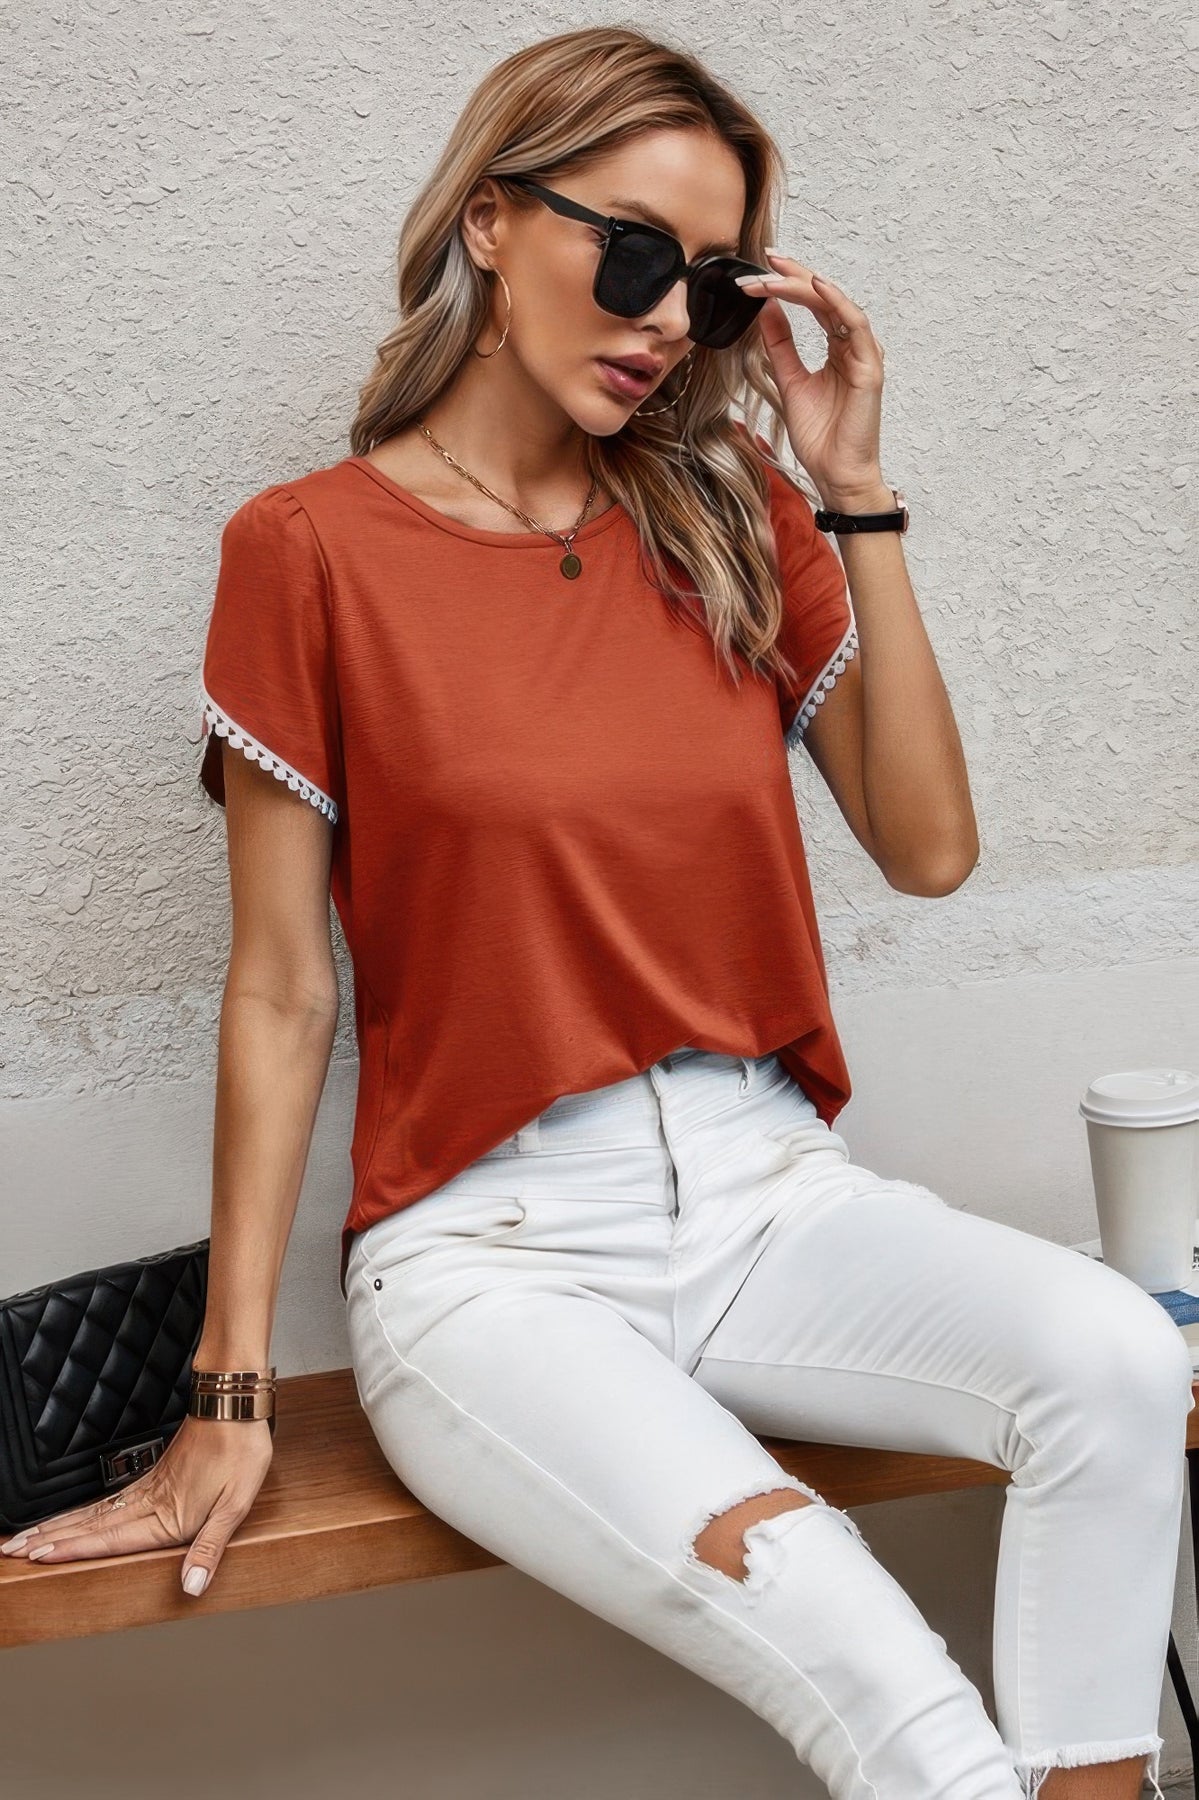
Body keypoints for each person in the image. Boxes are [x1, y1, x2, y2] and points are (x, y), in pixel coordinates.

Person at [4, 25, 1191, 1800]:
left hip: (771, 1198)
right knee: (853, 1642)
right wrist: (227, 1395)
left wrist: (856, 493)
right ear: (490, 221)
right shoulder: (308, 550)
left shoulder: (730, 515)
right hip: (495, 1260)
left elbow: (930, 849)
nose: (663, 320)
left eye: (708, 285)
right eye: (631, 252)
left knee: (1114, 1357)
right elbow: (281, 993)